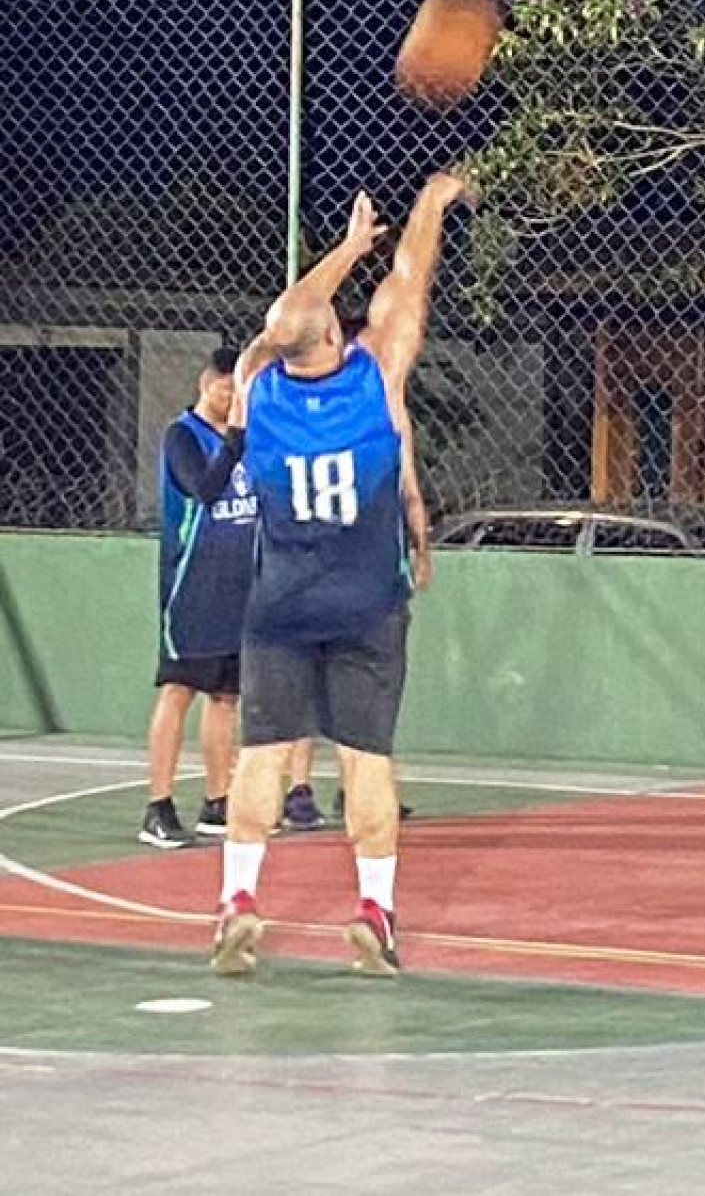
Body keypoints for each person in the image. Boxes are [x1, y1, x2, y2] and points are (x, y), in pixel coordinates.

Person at [210, 174, 460, 979]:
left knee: (261, 755)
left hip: (281, 602)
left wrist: (343, 252)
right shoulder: (375, 375)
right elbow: (409, 281)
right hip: (366, 604)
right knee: (366, 761)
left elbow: (284, 319)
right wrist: (428, 205)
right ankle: (375, 912)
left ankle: (239, 901)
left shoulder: (256, 390)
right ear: (336, 337)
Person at [142, 349, 255, 848]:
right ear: (206, 384)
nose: (232, 399)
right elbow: (206, 489)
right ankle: (158, 805)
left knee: (226, 697)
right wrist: (234, 438)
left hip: (240, 587)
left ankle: (218, 799)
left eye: (239, 392)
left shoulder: (250, 442)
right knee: (178, 690)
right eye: (225, 389)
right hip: (192, 584)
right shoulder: (182, 436)